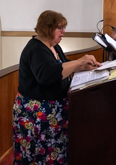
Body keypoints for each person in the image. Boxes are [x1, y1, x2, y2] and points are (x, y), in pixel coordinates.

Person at [12, 10, 101, 164]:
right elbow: (47, 76)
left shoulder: (52, 46)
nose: (63, 32)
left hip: (51, 113)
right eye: (60, 28)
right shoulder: (36, 49)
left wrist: (85, 66)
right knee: (40, 154)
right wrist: (78, 62)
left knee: (53, 154)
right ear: (48, 28)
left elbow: (63, 65)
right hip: (36, 115)